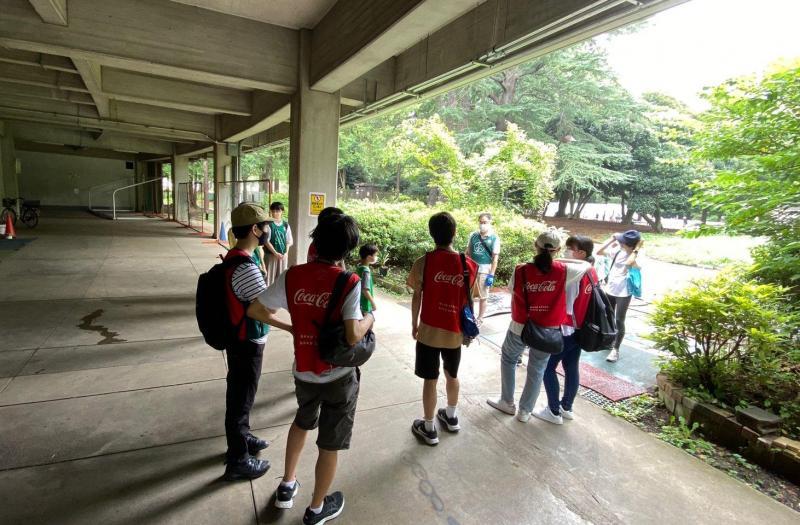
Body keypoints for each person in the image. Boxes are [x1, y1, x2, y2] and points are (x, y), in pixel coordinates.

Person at [252, 213, 375, 525]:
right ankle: (317, 509)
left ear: (316, 241)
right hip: (338, 376)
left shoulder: (293, 276)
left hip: (303, 371)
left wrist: (290, 328)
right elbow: (353, 335)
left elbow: (256, 308)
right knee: (329, 443)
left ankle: (286, 485)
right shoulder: (349, 282)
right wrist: (370, 319)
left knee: (302, 421)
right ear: (347, 249)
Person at [486, 230, 590, 422]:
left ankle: (507, 402)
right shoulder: (565, 271)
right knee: (537, 369)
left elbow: (511, 289)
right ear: (557, 250)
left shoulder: (520, 269)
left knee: (509, 360)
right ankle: (525, 412)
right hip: (548, 330)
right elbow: (586, 265)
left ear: (536, 245)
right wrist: (556, 258)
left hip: (520, 326)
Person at [222, 203, 291, 481]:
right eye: (265, 226)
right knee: (241, 398)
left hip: (240, 339)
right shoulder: (246, 267)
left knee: (241, 395)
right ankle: (238, 459)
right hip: (247, 341)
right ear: (255, 229)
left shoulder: (236, 255)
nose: (268, 230)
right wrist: (290, 327)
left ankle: (244, 437)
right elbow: (262, 309)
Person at [407, 212, 477, 446]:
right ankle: (452, 416)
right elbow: (470, 298)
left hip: (428, 331)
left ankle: (429, 428)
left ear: (431, 234)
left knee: (430, 379)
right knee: (452, 374)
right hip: (455, 332)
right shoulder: (469, 265)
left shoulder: (423, 262)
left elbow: (417, 296)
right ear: (454, 233)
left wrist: (414, 324)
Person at [535, 235, 598, 424]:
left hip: (566, 329)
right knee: (571, 367)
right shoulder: (591, 271)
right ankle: (567, 407)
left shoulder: (575, 274)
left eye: (571, 249)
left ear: (582, 253)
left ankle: (553, 411)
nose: (567, 251)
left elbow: (567, 305)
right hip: (582, 329)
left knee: (547, 368)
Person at [596, 229, 643, 363]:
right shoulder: (618, 251)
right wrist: (612, 239)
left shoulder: (637, 256)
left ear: (631, 245)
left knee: (619, 320)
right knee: (608, 316)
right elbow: (599, 251)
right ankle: (610, 341)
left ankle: (615, 349)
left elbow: (629, 263)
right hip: (611, 288)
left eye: (623, 242)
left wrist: (637, 249)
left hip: (624, 292)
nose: (620, 243)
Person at [465, 212, 500, 325]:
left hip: (485, 271)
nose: (482, 225)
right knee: (469, 296)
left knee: (483, 296)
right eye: (480, 222)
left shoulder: (494, 238)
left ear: (490, 222)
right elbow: (467, 252)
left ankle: (480, 318)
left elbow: (495, 258)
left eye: (485, 222)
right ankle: (470, 316)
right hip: (472, 270)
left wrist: (491, 275)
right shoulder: (473, 235)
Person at [265, 202, 293, 285]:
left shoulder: (285, 225)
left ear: (282, 212)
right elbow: (266, 241)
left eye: (277, 211)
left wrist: (286, 253)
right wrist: (275, 253)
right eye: (273, 211)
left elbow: (289, 241)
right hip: (270, 255)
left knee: (281, 279)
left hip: (283, 256)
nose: (275, 213)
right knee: (269, 279)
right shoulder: (268, 224)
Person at [355, 244, 378, 315]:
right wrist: (373, 303)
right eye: (375, 255)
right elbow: (365, 290)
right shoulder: (366, 271)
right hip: (364, 304)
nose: (376, 257)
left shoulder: (359, 267)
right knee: (368, 319)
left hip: (358, 301)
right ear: (369, 257)